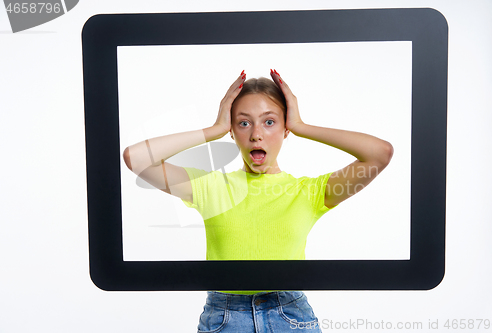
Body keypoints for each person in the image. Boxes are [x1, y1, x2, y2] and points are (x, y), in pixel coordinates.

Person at [123, 69, 393, 332]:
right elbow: (136, 158)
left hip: (290, 316)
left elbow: (379, 154)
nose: (256, 134)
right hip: (224, 318)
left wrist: (301, 126)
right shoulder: (210, 187)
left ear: (284, 128)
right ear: (232, 130)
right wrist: (213, 129)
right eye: (243, 122)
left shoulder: (309, 192)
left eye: (269, 121)